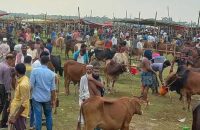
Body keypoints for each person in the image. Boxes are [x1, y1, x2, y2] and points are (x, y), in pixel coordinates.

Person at [30, 55, 56, 130]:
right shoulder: (51, 73)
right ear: (48, 62)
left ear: (40, 61)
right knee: (48, 116)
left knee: (38, 117)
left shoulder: (34, 71)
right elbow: (53, 89)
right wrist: (53, 100)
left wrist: (28, 96)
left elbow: (31, 86)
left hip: (36, 98)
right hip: (47, 98)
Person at [77, 65, 103, 130]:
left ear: (92, 70)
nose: (88, 71)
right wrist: (83, 99)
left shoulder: (97, 78)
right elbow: (81, 90)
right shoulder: (83, 78)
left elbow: (102, 86)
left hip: (95, 99)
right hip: (85, 98)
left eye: (90, 69)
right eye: (87, 69)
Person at [8, 63, 30, 130]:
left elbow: (24, 104)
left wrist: (15, 117)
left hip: (19, 113)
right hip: (15, 110)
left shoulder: (23, 84)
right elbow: (15, 88)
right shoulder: (23, 79)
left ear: (17, 71)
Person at [0, 53, 15, 128]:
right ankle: (3, 123)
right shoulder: (7, 68)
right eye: (12, 61)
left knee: (1, 104)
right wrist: (8, 92)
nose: (13, 62)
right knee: (6, 105)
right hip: (3, 87)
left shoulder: (1, 64)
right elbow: (6, 81)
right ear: (9, 59)